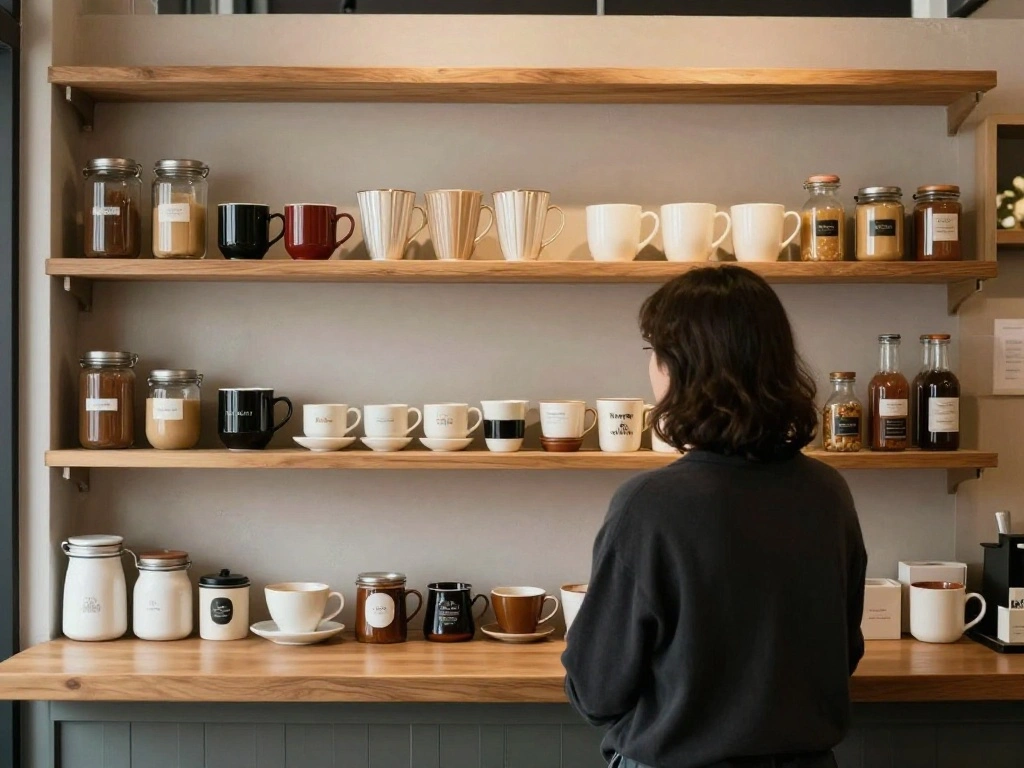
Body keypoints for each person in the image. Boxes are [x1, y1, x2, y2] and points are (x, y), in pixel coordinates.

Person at [561, 266, 867, 768]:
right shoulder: (828, 493)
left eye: (654, 352)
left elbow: (597, 689)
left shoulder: (650, 505)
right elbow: (842, 654)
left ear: (678, 367)